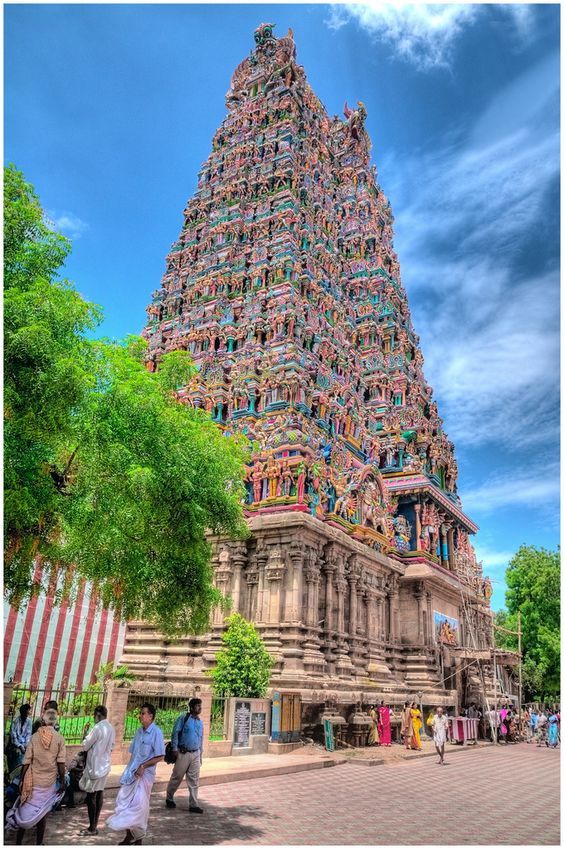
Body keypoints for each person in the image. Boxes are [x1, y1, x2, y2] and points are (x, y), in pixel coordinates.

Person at [5, 708, 66, 845]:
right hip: (48, 783)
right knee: (42, 814)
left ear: (43, 719)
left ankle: (18, 843)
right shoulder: (59, 739)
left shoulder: (34, 737)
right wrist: (62, 781)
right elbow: (61, 764)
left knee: (23, 810)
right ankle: (39, 844)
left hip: (31, 781)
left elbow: (26, 761)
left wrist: (21, 780)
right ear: (55, 721)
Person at [106, 703, 164, 845]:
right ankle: (129, 835)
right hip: (131, 774)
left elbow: (160, 756)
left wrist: (143, 766)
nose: (140, 716)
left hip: (145, 777)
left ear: (151, 716)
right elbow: (134, 755)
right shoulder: (139, 732)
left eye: (143, 713)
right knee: (123, 803)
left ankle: (139, 839)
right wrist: (129, 770)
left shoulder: (156, 732)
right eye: (140, 713)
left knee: (138, 807)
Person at [78, 704, 115, 835]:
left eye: (94, 716)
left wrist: (84, 733)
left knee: (91, 796)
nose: (94, 718)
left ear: (98, 715)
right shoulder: (110, 728)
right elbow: (111, 747)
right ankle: (94, 825)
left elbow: (85, 746)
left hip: (95, 767)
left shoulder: (98, 728)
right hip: (104, 766)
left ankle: (92, 828)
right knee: (99, 793)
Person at [165, 698, 204, 813]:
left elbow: (201, 739)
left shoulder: (200, 722)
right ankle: (169, 797)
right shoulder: (184, 718)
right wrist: (175, 748)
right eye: (197, 706)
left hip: (195, 753)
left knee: (194, 780)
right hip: (183, 753)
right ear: (191, 708)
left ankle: (193, 804)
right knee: (177, 777)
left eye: (200, 705)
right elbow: (175, 732)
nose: (200, 708)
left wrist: (200, 755)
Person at [7, 705, 32, 772]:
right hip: (15, 745)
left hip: (25, 744)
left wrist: (26, 745)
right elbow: (13, 738)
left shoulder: (29, 721)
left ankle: (21, 773)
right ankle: (13, 773)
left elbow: (28, 735)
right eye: (28, 711)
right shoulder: (15, 722)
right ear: (23, 712)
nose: (29, 713)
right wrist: (20, 746)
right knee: (18, 753)